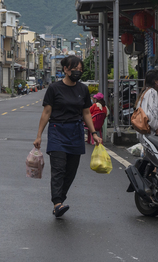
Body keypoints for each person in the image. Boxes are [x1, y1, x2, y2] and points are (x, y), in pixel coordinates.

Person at [34, 55, 102, 218]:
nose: (78, 72)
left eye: (80, 70)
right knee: (59, 168)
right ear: (65, 69)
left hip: (76, 132)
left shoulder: (83, 89)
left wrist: (94, 133)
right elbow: (47, 112)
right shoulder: (54, 88)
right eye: (75, 69)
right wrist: (39, 136)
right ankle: (57, 202)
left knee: (71, 171)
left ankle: (60, 199)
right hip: (57, 130)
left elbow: (86, 112)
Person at [138, 69, 158, 139]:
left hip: (145, 132)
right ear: (156, 81)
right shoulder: (152, 92)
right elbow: (151, 113)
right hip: (152, 133)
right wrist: (157, 130)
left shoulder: (145, 92)